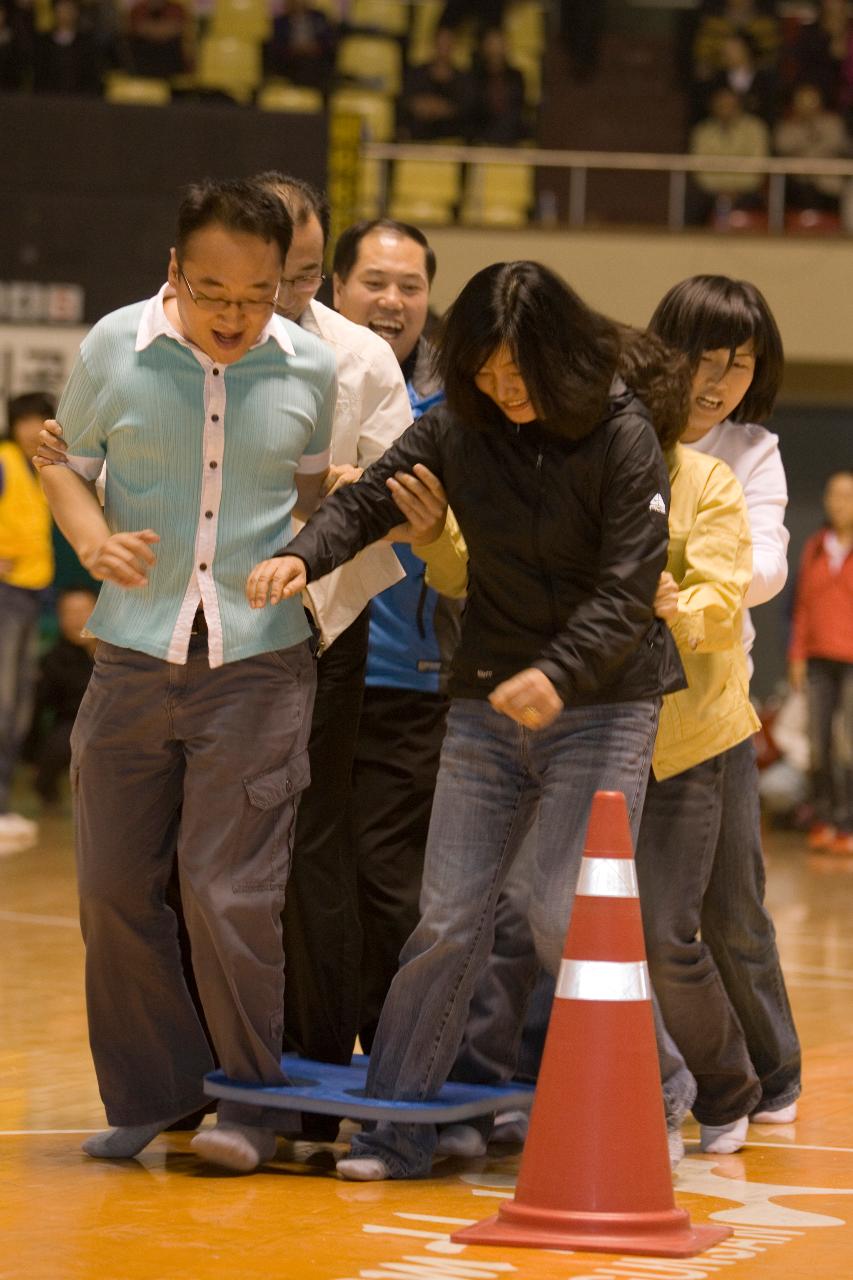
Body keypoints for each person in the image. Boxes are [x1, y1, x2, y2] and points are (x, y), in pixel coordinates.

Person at [246, 260, 687, 1180]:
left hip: (604, 702)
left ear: (560, 356)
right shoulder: (458, 423)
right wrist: (303, 555)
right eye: (484, 375)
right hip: (490, 699)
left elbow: (627, 586)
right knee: (445, 919)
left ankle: (658, 1091)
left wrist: (557, 674)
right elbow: (369, 496)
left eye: (518, 375)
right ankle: (397, 1126)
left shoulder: (622, 434)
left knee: (561, 911)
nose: (502, 393)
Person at [36, 178, 337, 1174]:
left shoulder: (311, 370)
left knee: (228, 891)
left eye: (257, 295)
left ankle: (247, 1102)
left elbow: (315, 494)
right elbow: (64, 462)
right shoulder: (112, 348)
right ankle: (157, 1092)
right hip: (131, 652)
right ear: (174, 270)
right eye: (212, 291)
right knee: (114, 888)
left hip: (259, 662)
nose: (233, 314)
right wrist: (90, 538)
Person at [648, 273, 801, 1133]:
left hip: (713, 703)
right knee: (637, 912)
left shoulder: (751, 450)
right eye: (702, 358)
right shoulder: (625, 428)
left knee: (729, 904)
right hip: (616, 703)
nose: (715, 381)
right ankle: (681, 1077)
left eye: (738, 364)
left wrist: (704, 563)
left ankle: (771, 1071)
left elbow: (769, 567)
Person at [328, 218, 462, 1060]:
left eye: (409, 286)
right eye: (374, 281)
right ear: (336, 288)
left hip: (411, 681)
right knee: (302, 878)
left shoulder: (458, 405)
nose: (391, 300)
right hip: (296, 669)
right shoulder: (304, 378)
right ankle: (294, 1053)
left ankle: (392, 1062)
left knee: (388, 882)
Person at [0, 392, 55, 855]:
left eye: (38, 420)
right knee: (3, 702)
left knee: (17, 704)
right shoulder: (4, 462)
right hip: (6, 593)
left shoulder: (41, 468)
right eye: (23, 421)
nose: (29, 429)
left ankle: (3, 804)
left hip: (32, 594)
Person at [788, 468, 853, 855]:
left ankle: (847, 822)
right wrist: (796, 655)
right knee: (818, 742)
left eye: (847, 496)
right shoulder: (814, 546)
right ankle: (824, 818)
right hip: (816, 660)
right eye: (834, 495)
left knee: (848, 742)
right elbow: (800, 608)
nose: (839, 503)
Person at [25, 586, 97, 808]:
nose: (78, 619)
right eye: (70, 612)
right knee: (66, 738)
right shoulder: (52, 660)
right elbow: (35, 710)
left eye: (84, 611)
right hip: (71, 729)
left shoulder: (120, 654)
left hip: (119, 727)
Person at [687, 86, 771, 225]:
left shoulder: (755, 128)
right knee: (693, 201)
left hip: (746, 190)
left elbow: (758, 167)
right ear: (713, 107)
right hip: (711, 191)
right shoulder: (703, 131)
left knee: (757, 202)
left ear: (739, 106)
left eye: (730, 105)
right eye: (721, 105)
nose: (726, 109)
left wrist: (735, 189)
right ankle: (689, 243)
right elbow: (699, 168)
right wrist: (720, 190)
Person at [774, 83, 849, 213]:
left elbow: (837, 144)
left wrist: (805, 147)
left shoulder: (833, 123)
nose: (807, 107)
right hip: (799, 181)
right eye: (803, 102)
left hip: (829, 182)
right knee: (802, 191)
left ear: (820, 103)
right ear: (795, 104)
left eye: (811, 102)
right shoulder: (787, 126)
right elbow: (782, 146)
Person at [397, 26, 471, 142]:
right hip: (417, 135)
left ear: (454, 46)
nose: (444, 48)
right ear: (433, 44)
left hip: (450, 137)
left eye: (448, 43)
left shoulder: (463, 79)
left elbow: (465, 108)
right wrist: (421, 106)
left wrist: (441, 108)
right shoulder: (416, 73)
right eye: (440, 43)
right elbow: (406, 101)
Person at [465, 26, 528, 146]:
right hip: (482, 130)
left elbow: (518, 105)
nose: (496, 48)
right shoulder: (475, 76)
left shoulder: (516, 76)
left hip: (510, 131)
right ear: (484, 46)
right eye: (492, 43)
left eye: (500, 43)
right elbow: (473, 106)